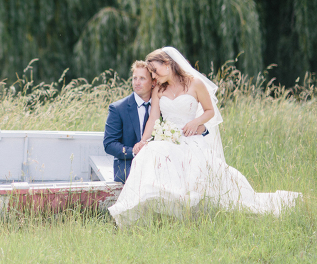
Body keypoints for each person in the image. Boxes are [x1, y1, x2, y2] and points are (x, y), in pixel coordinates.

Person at [108, 46, 300, 226]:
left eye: (156, 72)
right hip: (170, 140)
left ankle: (199, 213)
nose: (154, 77)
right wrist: (143, 141)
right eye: (152, 74)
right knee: (151, 153)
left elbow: (210, 111)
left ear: (167, 65)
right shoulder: (159, 90)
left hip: (192, 138)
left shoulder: (195, 84)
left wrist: (195, 122)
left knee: (199, 169)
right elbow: (153, 119)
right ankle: (160, 213)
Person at [103, 61, 157, 183]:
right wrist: (133, 151)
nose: (137, 83)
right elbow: (109, 144)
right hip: (128, 167)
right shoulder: (117, 109)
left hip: (156, 165)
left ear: (153, 82)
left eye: (142, 78)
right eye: (134, 78)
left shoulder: (161, 108)